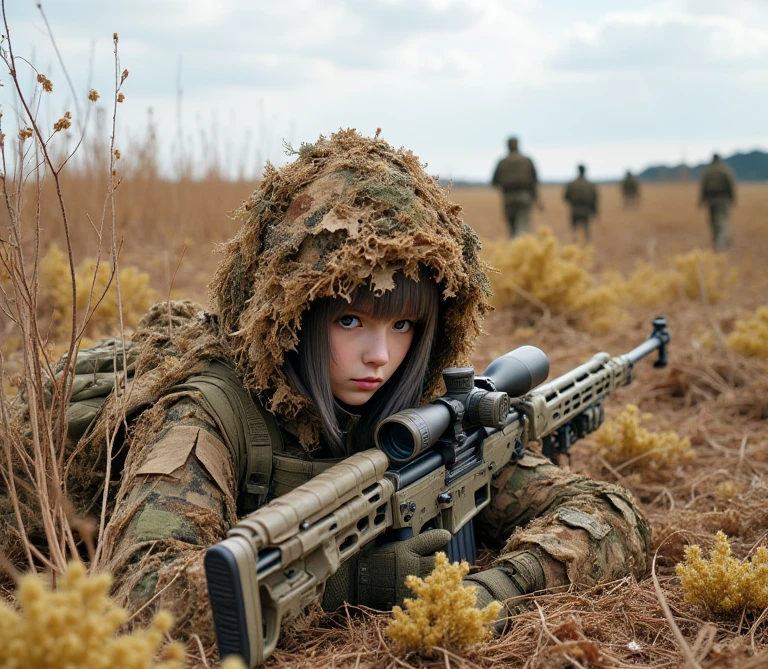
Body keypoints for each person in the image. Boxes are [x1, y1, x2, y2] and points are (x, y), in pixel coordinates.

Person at [67, 131, 649, 640]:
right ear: (293, 314)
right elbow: (143, 595)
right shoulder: (210, 411)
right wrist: (352, 579)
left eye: (403, 326)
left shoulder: (423, 417)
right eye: (350, 321)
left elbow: (609, 513)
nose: (380, 357)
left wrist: (496, 589)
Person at [491, 137, 540, 238]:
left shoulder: (502, 162)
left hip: (508, 198)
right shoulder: (527, 161)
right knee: (521, 228)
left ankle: (513, 248)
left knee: (512, 228)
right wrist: (537, 199)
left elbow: (494, 182)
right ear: (518, 145)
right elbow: (534, 182)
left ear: (507, 146)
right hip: (524, 197)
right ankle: (517, 248)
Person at [699, 153, 736, 250]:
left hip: (711, 200)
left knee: (713, 222)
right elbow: (731, 185)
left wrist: (701, 201)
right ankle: (721, 243)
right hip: (722, 199)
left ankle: (718, 242)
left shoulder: (708, 171)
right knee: (722, 221)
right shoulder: (724, 170)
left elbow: (703, 187)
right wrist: (732, 198)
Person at [564, 164, 598, 243]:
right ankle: (585, 247)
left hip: (575, 209)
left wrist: (572, 203)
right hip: (586, 210)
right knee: (586, 229)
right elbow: (595, 198)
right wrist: (594, 210)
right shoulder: (590, 184)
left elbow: (566, 197)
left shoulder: (572, 184)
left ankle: (575, 246)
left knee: (575, 230)